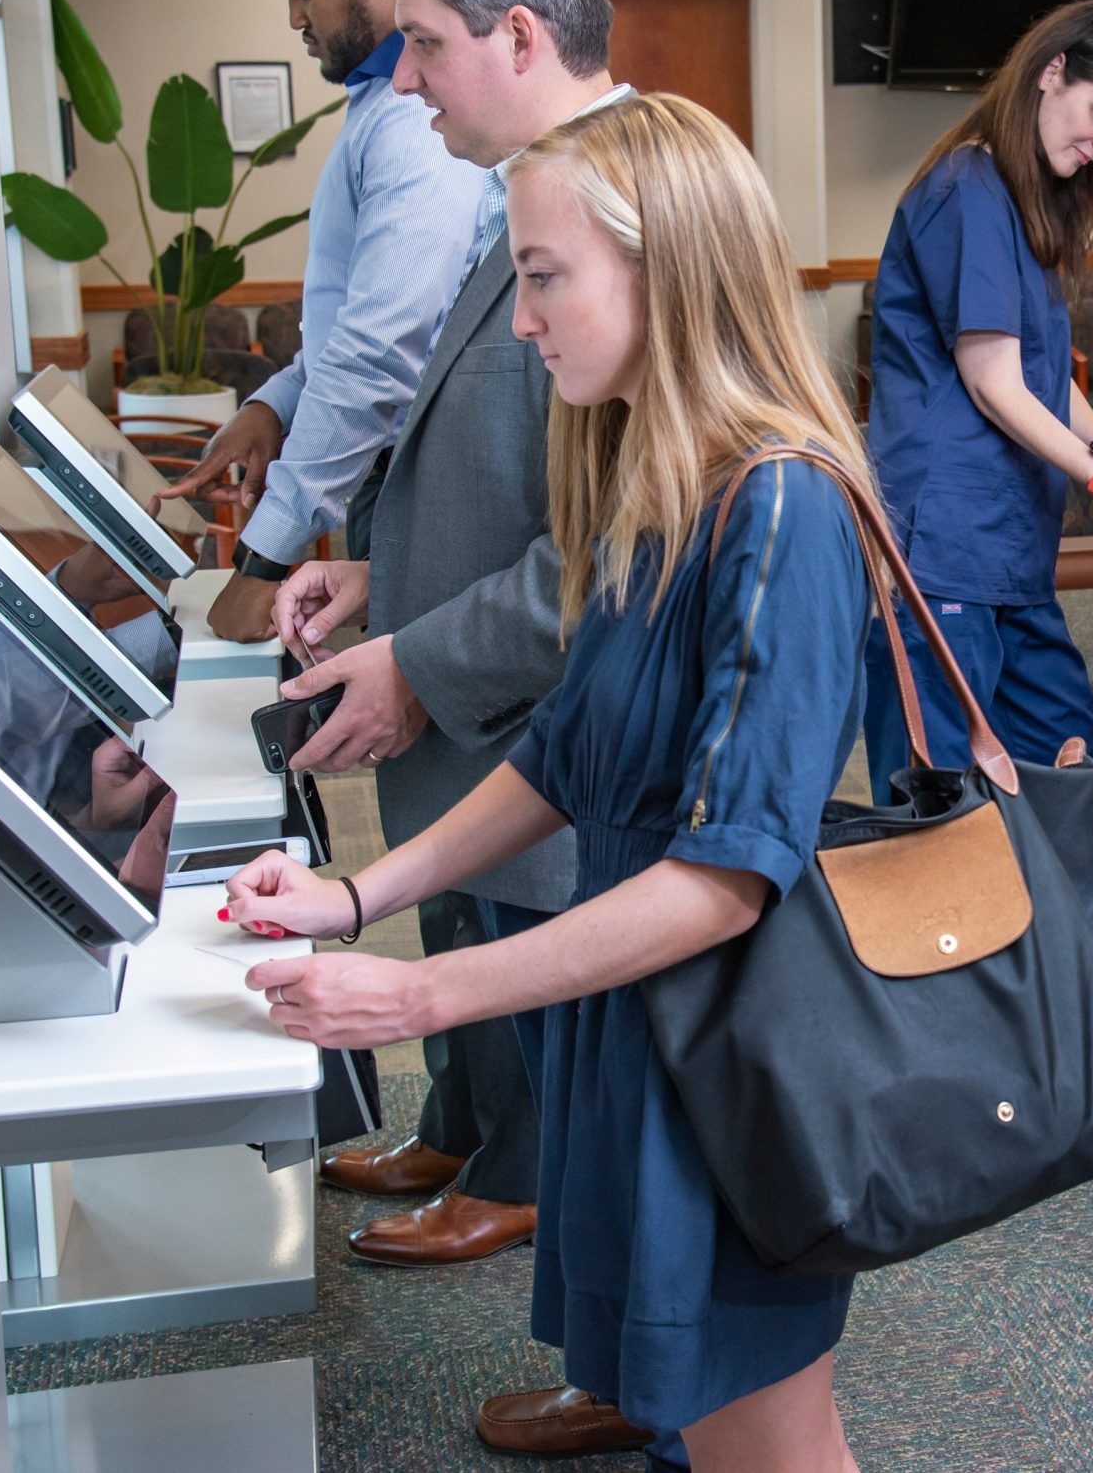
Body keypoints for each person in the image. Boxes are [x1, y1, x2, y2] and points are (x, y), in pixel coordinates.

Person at [229, 91, 880, 1473]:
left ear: (672, 268)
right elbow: (561, 762)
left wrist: (417, 996)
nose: (524, 323)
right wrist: (356, 898)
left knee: (764, 1432)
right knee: (680, 1411)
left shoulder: (781, 506)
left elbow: (724, 879)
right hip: (626, 1022)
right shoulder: (659, 480)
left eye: (543, 279)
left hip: (723, 1044)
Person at [259, 0, 654, 1461]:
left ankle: (634, 1369)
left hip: (576, 730)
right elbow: (501, 459)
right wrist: (379, 574)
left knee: (612, 1087)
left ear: (514, 31)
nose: (399, 80)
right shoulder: (538, 189)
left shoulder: (625, 203)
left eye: (420, 44)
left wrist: (422, 649)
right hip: (511, 710)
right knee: (571, 1065)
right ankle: (614, 1354)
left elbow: (614, 543)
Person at [863, 0, 1093, 985]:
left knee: (1062, 739)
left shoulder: (1021, 200)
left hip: (1007, 540)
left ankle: (1088, 944)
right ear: (1051, 71)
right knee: (941, 783)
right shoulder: (968, 185)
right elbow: (990, 379)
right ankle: (945, 982)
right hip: (940, 541)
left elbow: (1048, 373)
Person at [158, 0, 485, 643]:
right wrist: (275, 403)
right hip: (391, 475)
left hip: (424, 481)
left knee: (438, 748)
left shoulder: (415, 127)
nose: (296, 19)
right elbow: (354, 318)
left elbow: (381, 350)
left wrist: (264, 559)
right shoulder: (383, 107)